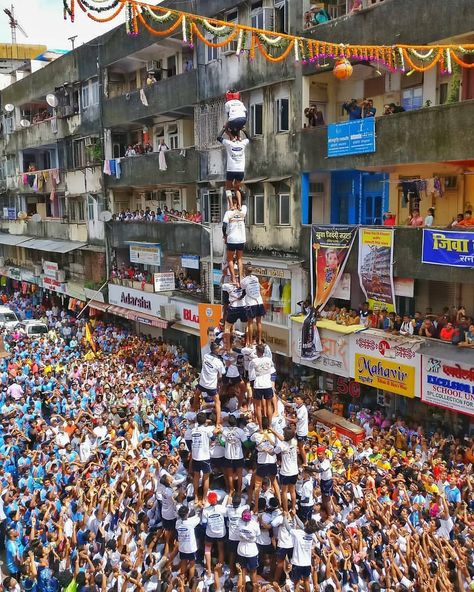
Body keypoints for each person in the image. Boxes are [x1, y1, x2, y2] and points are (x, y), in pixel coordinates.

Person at [218, 129, 250, 209]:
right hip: (240, 170)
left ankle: (231, 205)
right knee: (237, 188)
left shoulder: (229, 144)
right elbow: (249, 138)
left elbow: (218, 137)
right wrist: (244, 129)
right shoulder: (243, 143)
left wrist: (224, 129)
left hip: (231, 169)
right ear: (239, 137)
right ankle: (239, 205)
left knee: (228, 188)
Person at [222, 195, 248, 283]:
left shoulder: (228, 213)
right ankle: (240, 277)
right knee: (239, 259)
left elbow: (224, 226)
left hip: (231, 239)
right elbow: (241, 202)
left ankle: (233, 278)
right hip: (241, 239)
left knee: (230, 259)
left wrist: (225, 236)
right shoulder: (243, 210)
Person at [240, 264, 265, 346]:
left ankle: (250, 342)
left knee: (250, 323)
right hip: (259, 302)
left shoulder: (244, 281)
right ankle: (260, 341)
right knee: (259, 322)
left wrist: (239, 298)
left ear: (245, 271)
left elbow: (243, 292)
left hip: (251, 303)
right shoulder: (256, 278)